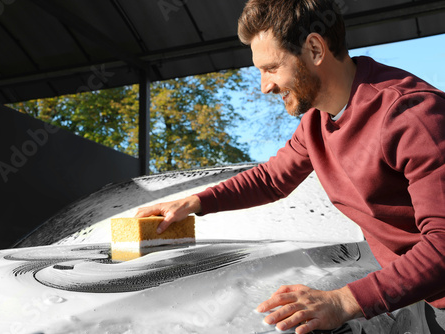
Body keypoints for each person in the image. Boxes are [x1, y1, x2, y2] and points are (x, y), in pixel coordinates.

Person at [135, 0, 445, 332]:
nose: (265, 86)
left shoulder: (411, 116)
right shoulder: (317, 122)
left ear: (314, 49)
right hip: (429, 299)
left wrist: (342, 301)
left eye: (271, 68)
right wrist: (195, 202)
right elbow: (271, 178)